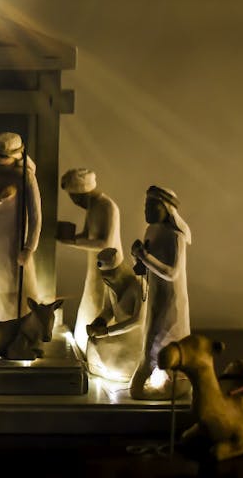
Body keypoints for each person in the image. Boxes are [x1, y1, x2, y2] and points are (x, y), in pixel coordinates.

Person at [129, 185, 192, 400]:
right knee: (150, 339)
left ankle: (172, 382)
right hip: (155, 298)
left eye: (152, 205)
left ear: (167, 209)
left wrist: (144, 256)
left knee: (159, 343)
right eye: (145, 205)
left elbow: (172, 272)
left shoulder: (176, 237)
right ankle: (156, 382)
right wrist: (138, 260)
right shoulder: (151, 231)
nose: (146, 210)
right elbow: (147, 265)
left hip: (171, 302)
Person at [0, 131, 41, 322]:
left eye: (4, 156)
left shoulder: (25, 176)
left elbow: (36, 215)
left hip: (16, 240)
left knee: (19, 287)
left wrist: (30, 247)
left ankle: (21, 328)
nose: (0, 159)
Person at [57, 168, 122, 356]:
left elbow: (106, 243)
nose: (74, 202)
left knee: (103, 306)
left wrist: (73, 241)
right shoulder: (93, 206)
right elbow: (87, 236)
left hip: (110, 266)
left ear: (80, 195)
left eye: (73, 197)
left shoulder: (107, 206)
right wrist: (69, 240)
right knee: (91, 302)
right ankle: (86, 345)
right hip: (95, 265)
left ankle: (100, 350)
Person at [85, 247, 145, 383]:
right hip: (116, 338)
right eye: (105, 278)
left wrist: (107, 332)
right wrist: (98, 323)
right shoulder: (110, 286)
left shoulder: (138, 286)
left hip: (134, 344)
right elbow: (108, 310)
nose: (108, 281)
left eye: (112, 276)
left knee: (121, 366)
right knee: (93, 342)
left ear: (121, 271)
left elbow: (139, 321)